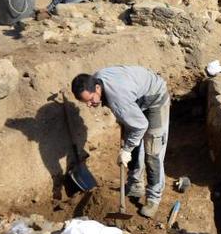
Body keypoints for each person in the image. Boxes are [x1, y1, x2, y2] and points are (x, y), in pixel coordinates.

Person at [71, 66, 170, 218]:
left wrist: (127, 150)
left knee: (152, 152)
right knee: (133, 144)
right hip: (136, 99)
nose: (89, 105)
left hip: (155, 98)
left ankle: (153, 198)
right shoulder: (98, 80)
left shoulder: (117, 98)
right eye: (86, 102)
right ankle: (136, 184)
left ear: (97, 88)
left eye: (90, 100)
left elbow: (140, 125)